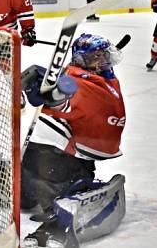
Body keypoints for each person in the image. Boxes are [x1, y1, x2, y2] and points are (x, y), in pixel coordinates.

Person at [21, 33, 127, 247]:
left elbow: (69, 95)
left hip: (64, 164)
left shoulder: (97, 81)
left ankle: (56, 188)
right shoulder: (85, 81)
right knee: (24, 192)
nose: (103, 62)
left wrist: (55, 95)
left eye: (105, 56)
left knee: (27, 189)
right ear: (81, 59)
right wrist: (53, 95)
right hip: (53, 165)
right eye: (96, 57)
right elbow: (68, 96)